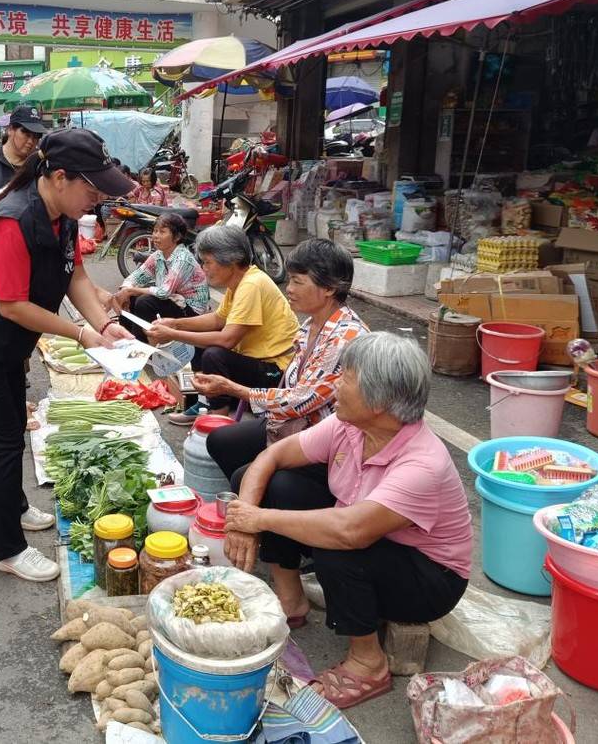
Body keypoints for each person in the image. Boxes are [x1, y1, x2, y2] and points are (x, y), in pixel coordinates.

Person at [0, 127, 136, 582]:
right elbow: (13, 305)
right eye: (92, 187)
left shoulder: (60, 213)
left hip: (4, 344)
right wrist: (83, 336)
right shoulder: (12, 219)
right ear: (59, 177)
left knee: (12, 428)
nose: (97, 198)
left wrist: (104, 324)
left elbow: (73, 273)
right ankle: (5, 547)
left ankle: (16, 506)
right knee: (2, 443)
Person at [224, 332, 471, 707]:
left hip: (431, 579)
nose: (335, 384)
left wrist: (259, 520)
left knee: (337, 549)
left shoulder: (423, 463)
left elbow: (350, 532)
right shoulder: (349, 426)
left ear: (380, 400)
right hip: (368, 535)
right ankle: (291, 601)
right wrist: (246, 518)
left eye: (347, 377)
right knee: (267, 482)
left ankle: (368, 664)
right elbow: (271, 458)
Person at [203, 239, 367, 476]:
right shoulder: (310, 323)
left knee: (248, 477)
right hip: (293, 422)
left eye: (298, 281)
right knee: (221, 441)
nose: (289, 288)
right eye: (290, 280)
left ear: (329, 288)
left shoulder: (344, 338)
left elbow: (299, 400)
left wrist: (232, 388)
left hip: (326, 440)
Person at [147, 225, 299, 425]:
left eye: (208, 262)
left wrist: (173, 334)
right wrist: (176, 324)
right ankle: (206, 402)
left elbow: (227, 340)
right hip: (256, 361)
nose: (204, 268)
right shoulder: (240, 281)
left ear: (232, 262)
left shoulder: (252, 284)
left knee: (214, 353)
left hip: (277, 372)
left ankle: (217, 416)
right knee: (200, 341)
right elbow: (218, 319)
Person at [114, 212, 209, 340]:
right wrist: (125, 290)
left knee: (144, 302)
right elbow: (136, 277)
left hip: (191, 310)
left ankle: (140, 345)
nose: (156, 236)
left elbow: (164, 292)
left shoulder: (182, 258)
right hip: (175, 300)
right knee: (128, 297)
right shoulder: (158, 255)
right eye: (155, 231)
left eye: (162, 232)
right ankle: (126, 339)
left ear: (176, 237)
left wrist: (131, 290)